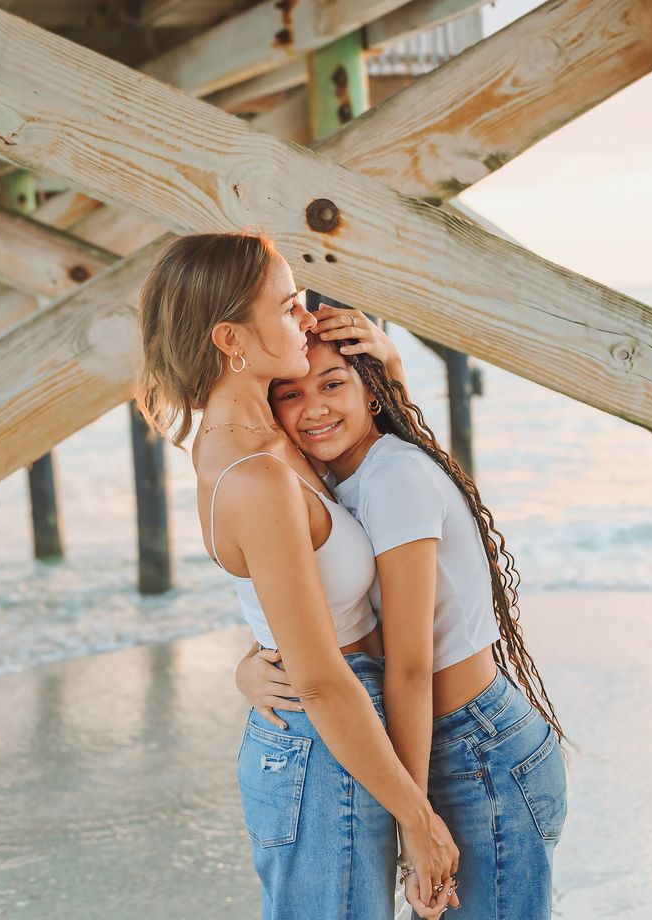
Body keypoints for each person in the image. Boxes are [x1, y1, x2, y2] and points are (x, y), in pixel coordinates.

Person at [135, 233, 459, 920]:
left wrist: (388, 368)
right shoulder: (254, 473)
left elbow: (386, 488)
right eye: (287, 308)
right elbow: (315, 676)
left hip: (341, 735)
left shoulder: (271, 434)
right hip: (323, 749)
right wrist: (418, 821)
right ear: (232, 340)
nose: (308, 318)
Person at [236, 304, 568, 919]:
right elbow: (330, 610)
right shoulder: (333, 482)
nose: (313, 409)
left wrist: (412, 821)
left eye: (334, 384)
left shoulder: (392, 479)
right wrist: (248, 665)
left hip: (475, 754)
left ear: (371, 391)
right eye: (290, 394)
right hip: (429, 743)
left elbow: (409, 665)